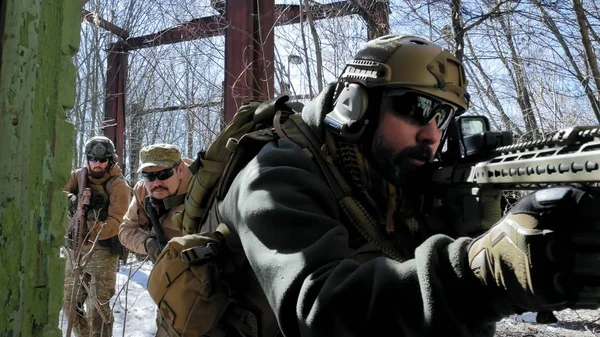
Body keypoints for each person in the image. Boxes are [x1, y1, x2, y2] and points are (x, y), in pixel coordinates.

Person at [195, 34, 600, 336]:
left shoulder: (397, 179)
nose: (432, 134)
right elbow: (321, 310)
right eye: (417, 108)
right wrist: (483, 272)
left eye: (442, 117)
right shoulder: (275, 175)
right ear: (356, 105)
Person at [62, 136, 132, 337]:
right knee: (68, 304)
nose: (97, 164)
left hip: (102, 251)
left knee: (98, 310)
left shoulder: (118, 185)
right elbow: (58, 193)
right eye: (92, 159)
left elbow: (118, 223)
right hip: (75, 249)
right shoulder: (78, 176)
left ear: (110, 161)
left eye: (102, 160)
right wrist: (72, 200)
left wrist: (85, 228)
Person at [119, 143, 192, 263]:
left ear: (180, 170)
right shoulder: (142, 191)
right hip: (167, 262)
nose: (156, 183)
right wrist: (147, 243)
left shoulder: (201, 189)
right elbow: (126, 230)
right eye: (148, 176)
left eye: (164, 174)